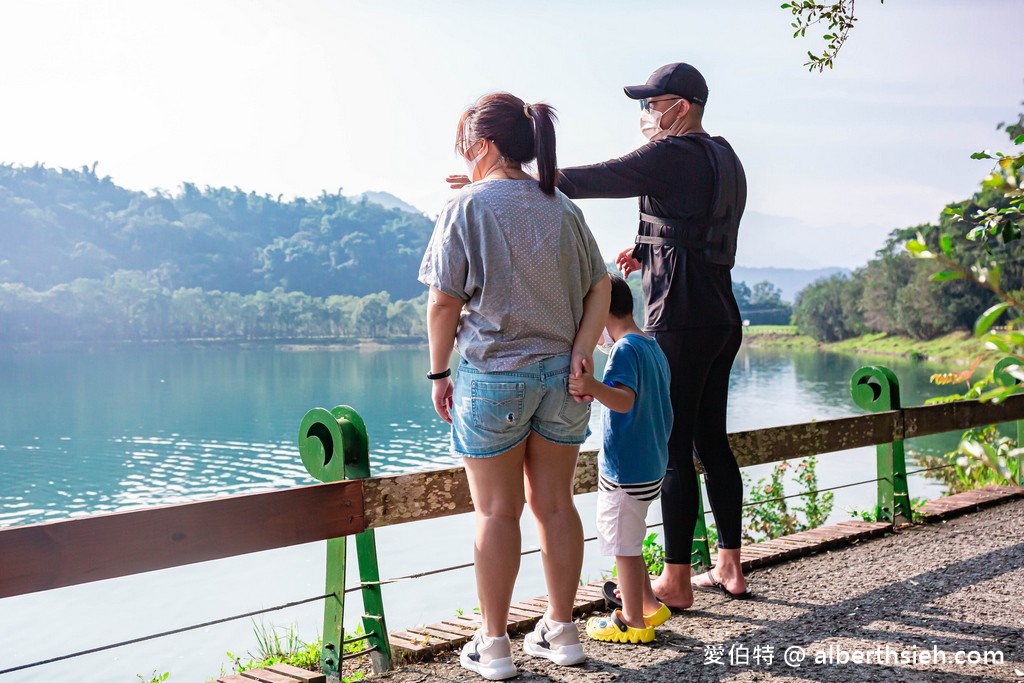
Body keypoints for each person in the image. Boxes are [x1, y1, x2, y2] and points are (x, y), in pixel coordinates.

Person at [419, 92, 611, 681]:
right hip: (562, 379)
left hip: (493, 379)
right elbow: (600, 286)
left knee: (497, 512)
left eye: (464, 146)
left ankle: (495, 643)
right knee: (555, 504)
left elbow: (443, 301)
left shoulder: (465, 206)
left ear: (483, 145)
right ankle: (562, 630)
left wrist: (438, 371)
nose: (463, 158)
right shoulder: (561, 208)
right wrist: (581, 352)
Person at [557, 62, 751, 609]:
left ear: (679, 108)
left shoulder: (670, 153)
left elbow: (597, 177)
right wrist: (647, 249)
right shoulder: (725, 156)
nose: (646, 113)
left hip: (681, 320)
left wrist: (514, 176)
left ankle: (676, 580)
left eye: (652, 102)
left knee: (672, 448)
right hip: (722, 318)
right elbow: (700, 219)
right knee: (711, 441)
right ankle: (730, 568)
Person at [568, 274, 673, 644]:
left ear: (599, 314)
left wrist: (591, 387)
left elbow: (624, 400)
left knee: (623, 547)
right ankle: (647, 603)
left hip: (626, 470)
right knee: (631, 539)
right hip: (650, 464)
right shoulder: (651, 345)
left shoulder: (624, 351)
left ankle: (633, 622)